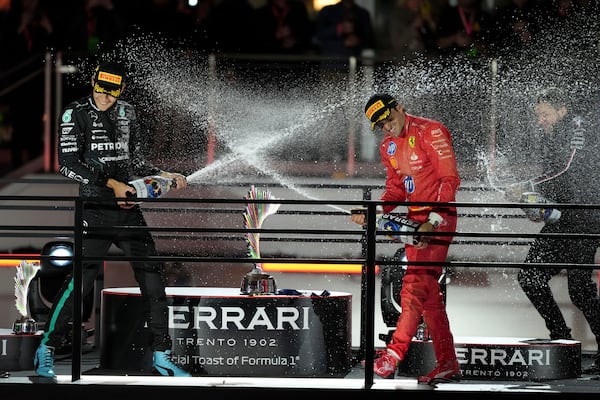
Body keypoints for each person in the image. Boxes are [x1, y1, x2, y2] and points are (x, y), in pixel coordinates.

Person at [33, 61, 191, 378]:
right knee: (80, 282)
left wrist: (162, 174)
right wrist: (112, 185)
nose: (106, 97)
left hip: (129, 209)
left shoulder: (127, 112)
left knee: (153, 280)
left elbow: (134, 159)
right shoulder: (73, 113)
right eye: (102, 90)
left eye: (113, 92)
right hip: (95, 208)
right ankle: (45, 350)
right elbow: (67, 164)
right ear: (93, 81)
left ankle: (161, 355)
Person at [351, 93, 461, 384]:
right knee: (428, 299)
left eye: (388, 119)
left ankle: (392, 357)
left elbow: (449, 179)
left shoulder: (431, 131)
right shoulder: (388, 146)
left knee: (413, 289)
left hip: (438, 221)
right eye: (381, 125)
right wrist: (373, 211)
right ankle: (448, 362)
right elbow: (395, 191)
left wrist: (433, 221)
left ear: (400, 108)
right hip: (415, 226)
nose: (387, 127)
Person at [506, 86, 600, 374]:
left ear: (562, 111)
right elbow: (558, 182)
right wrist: (535, 205)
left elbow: (567, 170)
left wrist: (529, 187)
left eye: (545, 114)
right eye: (538, 116)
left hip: (585, 220)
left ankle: (567, 340)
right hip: (563, 220)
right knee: (531, 277)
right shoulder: (552, 137)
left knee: (581, 290)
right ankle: (561, 339)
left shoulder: (576, 129)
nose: (541, 120)